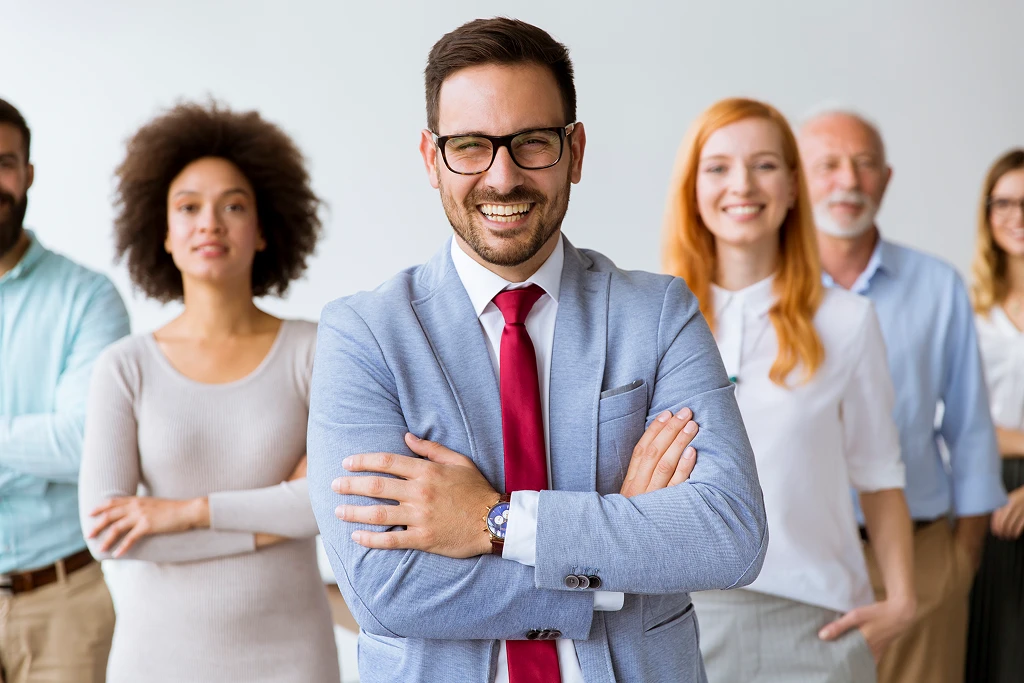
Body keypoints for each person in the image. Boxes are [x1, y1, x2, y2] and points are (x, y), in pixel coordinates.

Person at [307, 17, 769, 683]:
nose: (502, 177)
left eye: (531, 143)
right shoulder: (364, 333)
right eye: (470, 146)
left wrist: (496, 522)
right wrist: (616, 555)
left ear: (575, 150)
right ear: (430, 158)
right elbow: (385, 586)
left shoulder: (658, 313)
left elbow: (727, 534)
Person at [77, 102, 340, 683]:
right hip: (158, 658)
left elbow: (332, 502)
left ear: (265, 229)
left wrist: (183, 513)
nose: (210, 223)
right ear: (163, 234)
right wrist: (276, 515)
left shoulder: (315, 351)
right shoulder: (126, 367)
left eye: (234, 206)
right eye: (188, 207)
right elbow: (107, 535)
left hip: (292, 656)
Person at [664, 97, 915, 682]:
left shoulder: (849, 321)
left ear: (795, 186)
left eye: (766, 165)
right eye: (719, 166)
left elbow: (880, 477)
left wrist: (902, 600)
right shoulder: (650, 320)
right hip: (681, 620)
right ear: (693, 187)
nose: (742, 185)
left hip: (816, 623)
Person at [798, 108, 1006, 683]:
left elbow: (968, 428)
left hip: (921, 555)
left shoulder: (938, 286)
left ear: (886, 179)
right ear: (795, 178)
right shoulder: (762, 292)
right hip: (800, 568)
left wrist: (960, 560)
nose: (848, 180)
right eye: (829, 165)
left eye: (864, 165)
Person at [0, 97, 129, 683]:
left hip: (61, 602)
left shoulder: (88, 297)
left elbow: (85, 443)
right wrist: (28, 440)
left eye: (5, 162)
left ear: (27, 174)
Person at [966, 148, 1024, 682]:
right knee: (988, 643)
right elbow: (958, 418)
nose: (1018, 217)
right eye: (1004, 202)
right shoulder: (969, 307)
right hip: (985, 486)